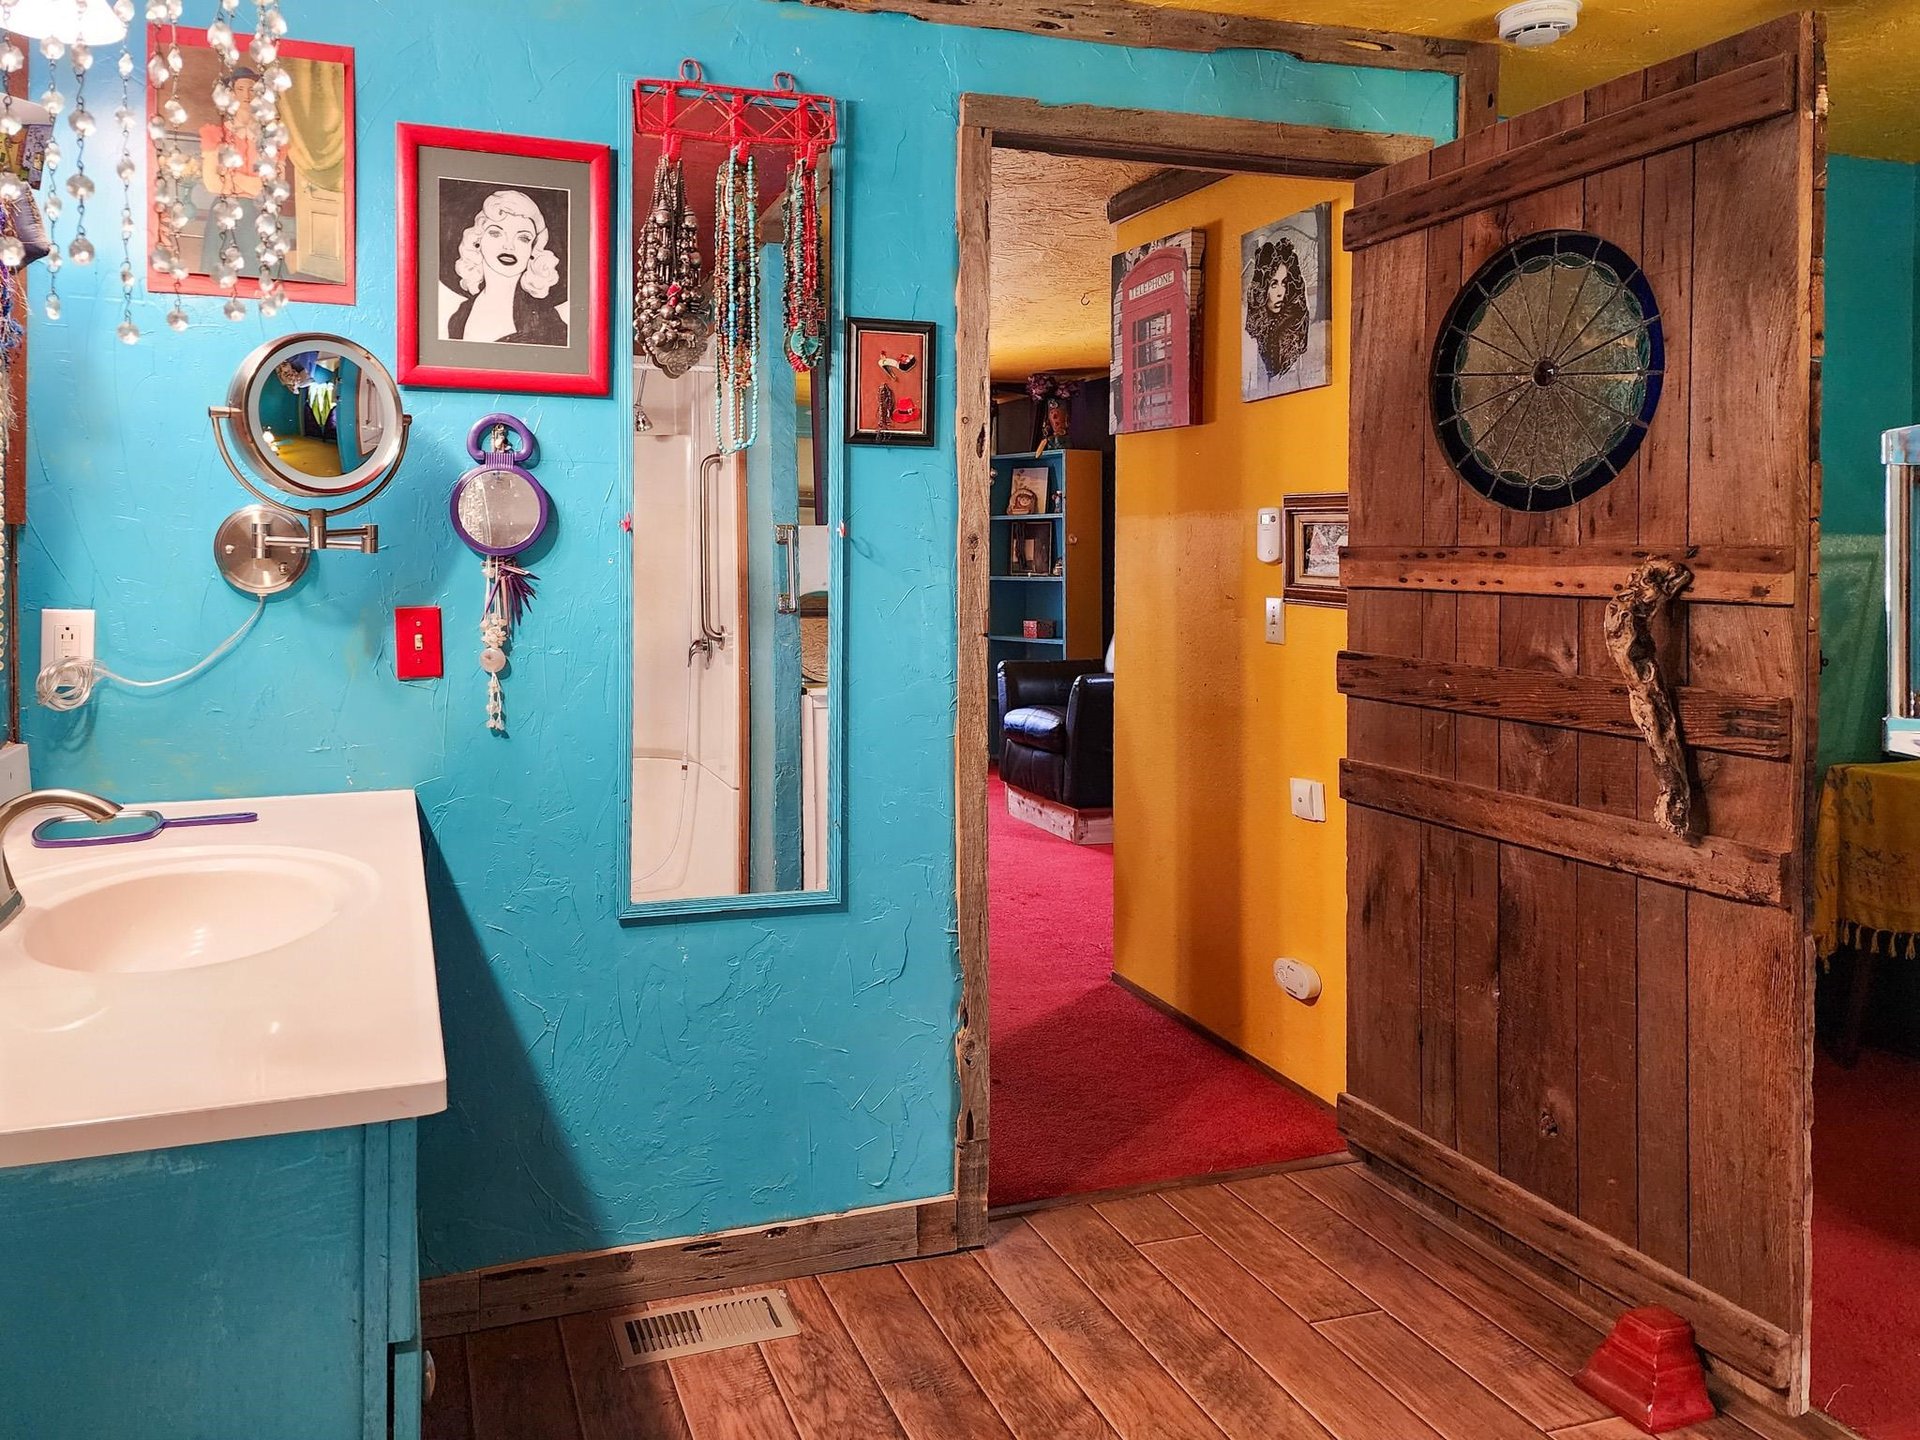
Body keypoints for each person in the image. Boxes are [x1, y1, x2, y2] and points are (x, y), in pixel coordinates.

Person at [446, 189, 566, 346]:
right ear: (477, 242)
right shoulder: (460, 315)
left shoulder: (547, 320)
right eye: (496, 233)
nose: (509, 246)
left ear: (533, 250)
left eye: (523, 238)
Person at [1245, 234, 1311, 382]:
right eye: (1273, 284)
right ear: (1263, 289)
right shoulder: (1256, 328)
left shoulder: (1295, 324)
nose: (1281, 292)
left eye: (1284, 283)